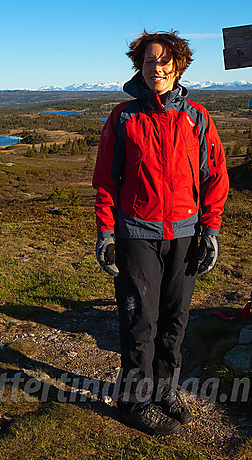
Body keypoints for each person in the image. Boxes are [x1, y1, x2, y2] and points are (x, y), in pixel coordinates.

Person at [93, 31, 229, 436]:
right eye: (150, 61)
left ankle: (165, 390)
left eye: (166, 61)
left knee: (176, 318)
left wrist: (211, 229)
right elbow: (105, 181)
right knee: (140, 319)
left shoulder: (197, 118)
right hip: (136, 233)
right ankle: (135, 401)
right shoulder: (124, 117)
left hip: (185, 234)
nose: (158, 68)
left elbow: (215, 177)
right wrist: (106, 232)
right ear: (140, 66)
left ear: (178, 66)